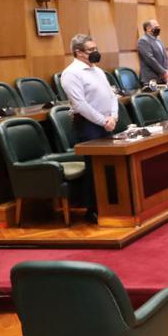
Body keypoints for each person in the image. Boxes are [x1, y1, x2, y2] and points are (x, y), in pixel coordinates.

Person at [62, 34, 118, 223]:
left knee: (109, 166)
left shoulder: (98, 71)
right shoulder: (71, 73)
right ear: (78, 52)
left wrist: (113, 116)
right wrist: (103, 120)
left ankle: (112, 205)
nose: (96, 52)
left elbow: (111, 95)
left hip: (107, 122)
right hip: (88, 126)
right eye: (91, 50)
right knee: (94, 168)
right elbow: (80, 105)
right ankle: (93, 210)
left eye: (95, 48)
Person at [136, 19, 168, 85]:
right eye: (156, 27)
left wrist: (166, 70)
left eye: (158, 27)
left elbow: (165, 57)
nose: (158, 29)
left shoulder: (158, 40)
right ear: (148, 28)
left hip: (162, 78)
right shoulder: (143, 41)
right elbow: (150, 59)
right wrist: (163, 72)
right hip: (150, 80)